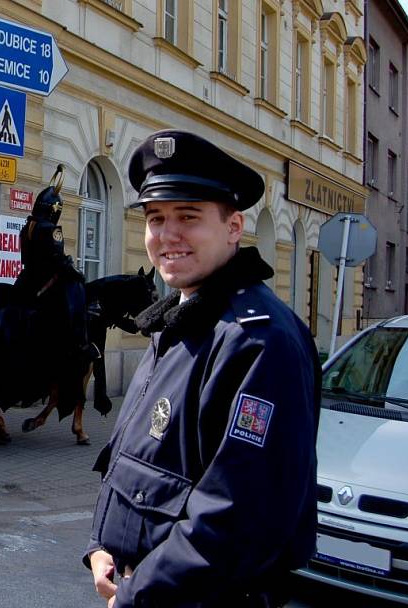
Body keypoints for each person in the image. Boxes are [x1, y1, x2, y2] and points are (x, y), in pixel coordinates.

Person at [85, 130, 321, 608]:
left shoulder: (259, 341)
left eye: (188, 217)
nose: (167, 235)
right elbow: (131, 463)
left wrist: (136, 595)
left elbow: (236, 519)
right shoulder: (182, 322)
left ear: (234, 227)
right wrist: (99, 546)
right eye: (156, 218)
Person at [14, 164, 100, 364]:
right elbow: (58, 260)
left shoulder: (27, 227)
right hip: (47, 283)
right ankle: (82, 345)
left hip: (26, 279)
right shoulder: (51, 229)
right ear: (55, 210)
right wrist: (74, 268)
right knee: (79, 289)